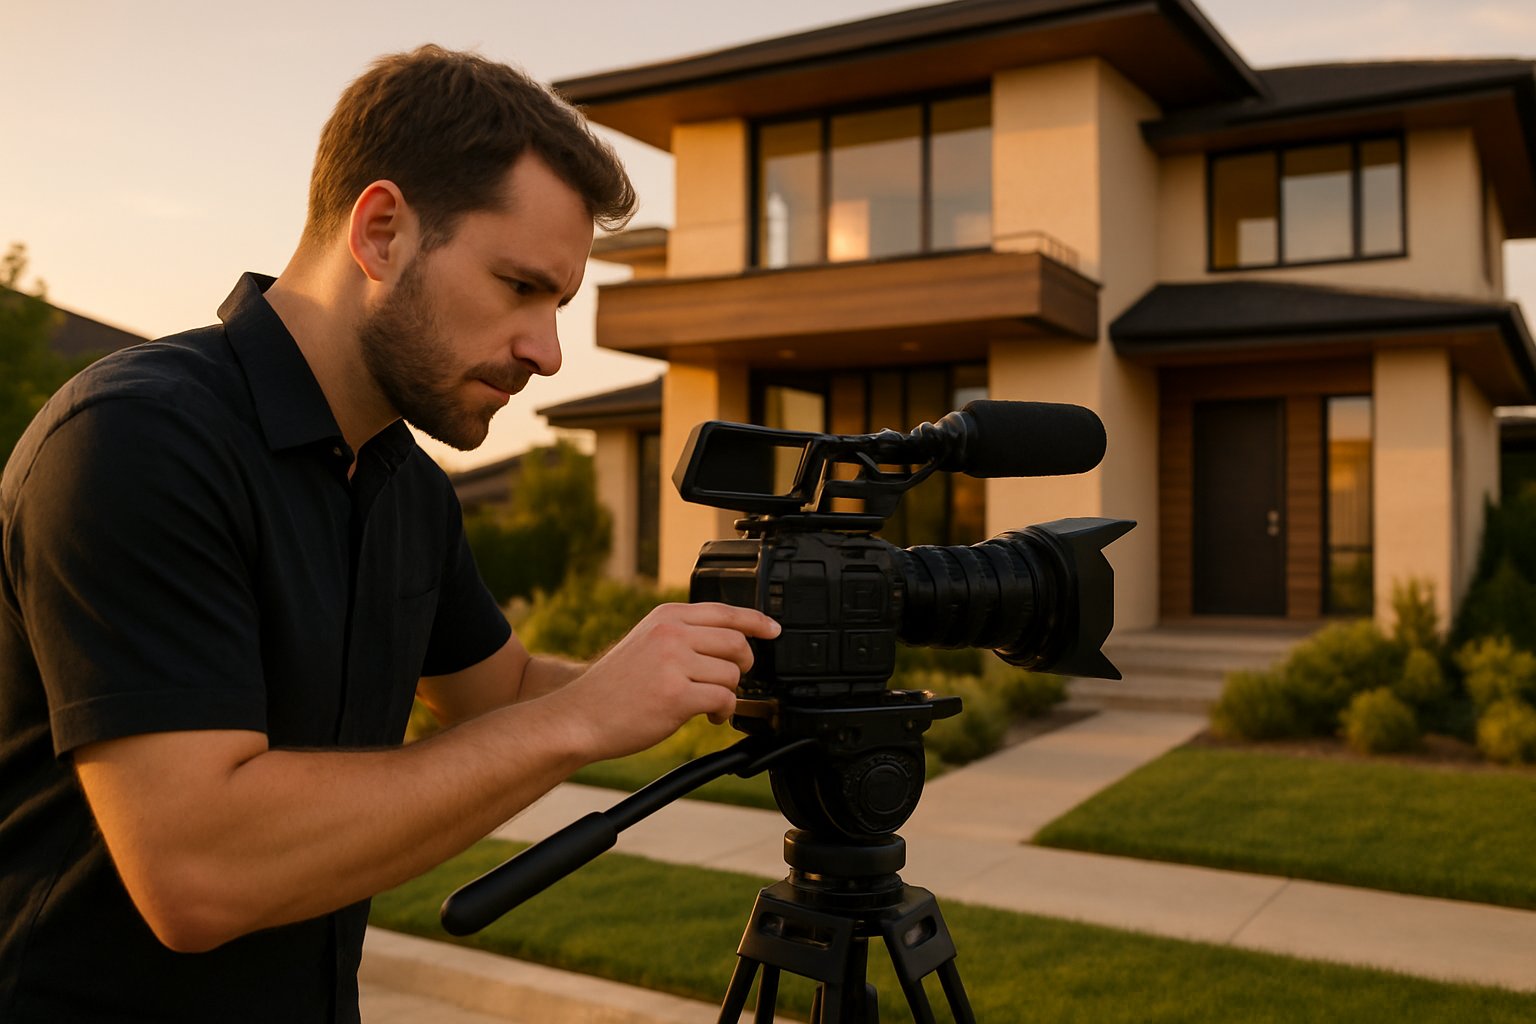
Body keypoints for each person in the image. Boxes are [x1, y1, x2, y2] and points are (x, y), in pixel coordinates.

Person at [0, 45, 778, 1022]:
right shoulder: (137, 441)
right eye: (519, 287)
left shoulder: (406, 486)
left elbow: (499, 695)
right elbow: (198, 872)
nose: (546, 350)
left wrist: (698, 670)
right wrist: (580, 720)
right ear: (380, 232)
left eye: (559, 305)